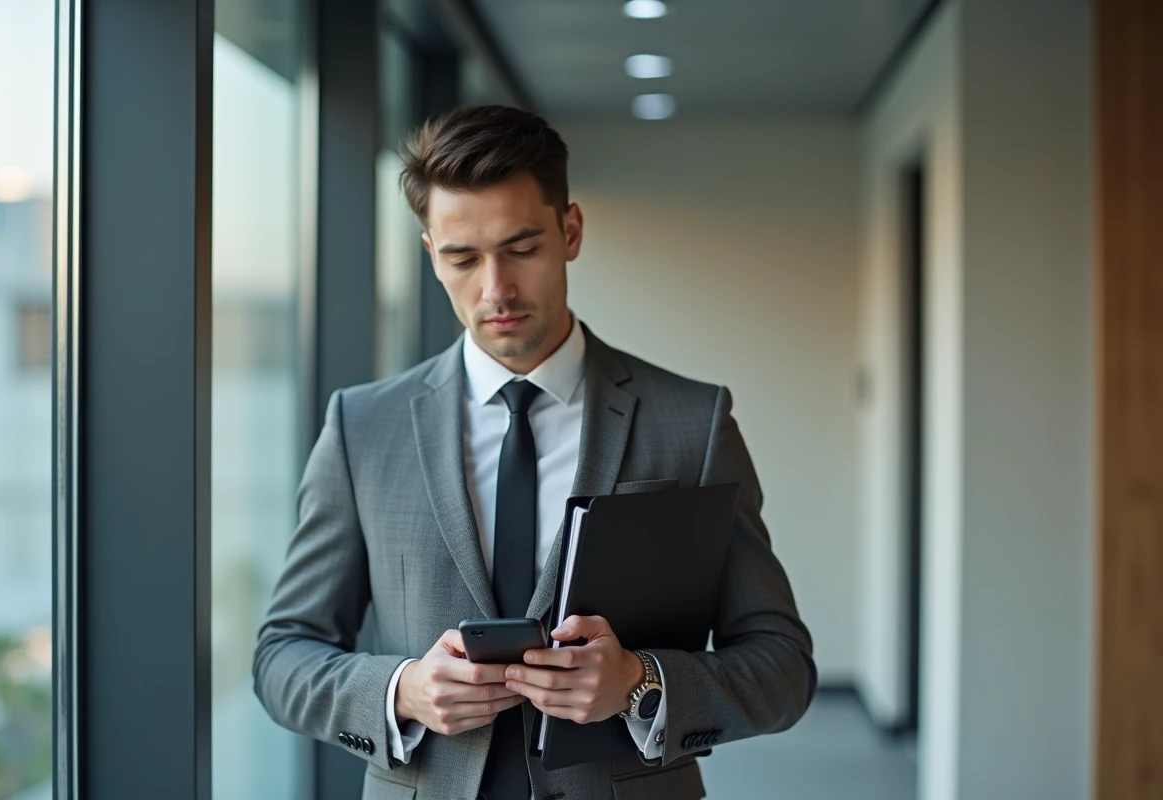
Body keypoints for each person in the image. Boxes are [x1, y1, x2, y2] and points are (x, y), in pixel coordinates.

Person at [253, 105, 816, 800]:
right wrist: (401, 691)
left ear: (570, 231)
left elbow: (783, 667)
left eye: (521, 249)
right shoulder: (361, 427)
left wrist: (640, 683)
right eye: (462, 257)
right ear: (431, 255)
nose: (496, 290)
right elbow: (283, 656)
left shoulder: (692, 423)